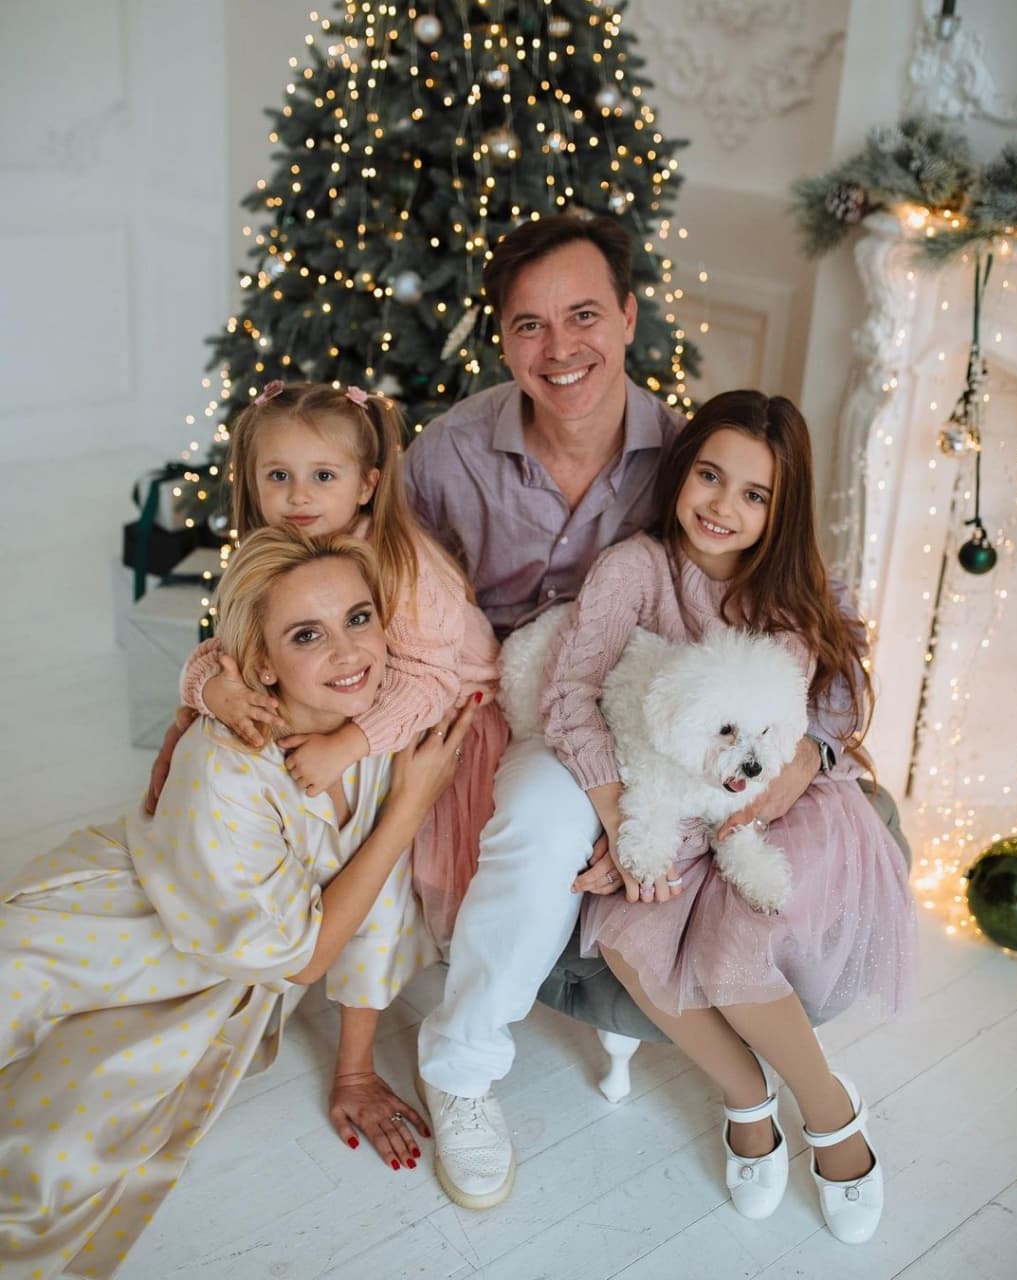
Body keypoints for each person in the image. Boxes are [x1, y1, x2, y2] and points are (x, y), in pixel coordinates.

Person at [404, 214, 856, 1210]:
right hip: (538, 705)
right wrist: (617, 815)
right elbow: (384, 581)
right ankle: (461, 1069)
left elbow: (814, 620)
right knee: (538, 821)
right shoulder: (448, 455)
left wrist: (806, 755)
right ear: (501, 338)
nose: (558, 347)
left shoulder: (693, 458)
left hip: (668, 727)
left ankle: (789, 1094)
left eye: (582, 315)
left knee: (723, 866)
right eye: (528, 324)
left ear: (628, 316)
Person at [0, 529, 476, 1276]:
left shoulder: (381, 725)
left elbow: (374, 903)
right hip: (113, 933)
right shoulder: (226, 766)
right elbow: (306, 958)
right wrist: (410, 810)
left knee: (58, 1150)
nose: (349, 652)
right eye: (307, 635)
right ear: (261, 665)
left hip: (215, 972)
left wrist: (354, 1072)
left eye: (358, 618)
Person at [540, 390, 916, 1243]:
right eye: (710, 476)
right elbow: (569, 694)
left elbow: (843, 692)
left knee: (735, 944)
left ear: (780, 510)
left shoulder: (793, 585)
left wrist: (808, 756)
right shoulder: (635, 571)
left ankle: (831, 1114)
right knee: (629, 937)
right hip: (667, 802)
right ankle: (748, 1099)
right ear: (682, 470)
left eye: (755, 494)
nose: (722, 506)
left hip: (782, 804)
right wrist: (618, 819)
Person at [150, 381, 507, 1159]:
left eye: (322, 476)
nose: (298, 497)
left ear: (368, 484)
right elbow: (223, 644)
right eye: (277, 476)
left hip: (452, 711)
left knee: (409, 877)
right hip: (359, 709)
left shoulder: (401, 561)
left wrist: (350, 744)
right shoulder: (276, 557)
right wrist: (209, 688)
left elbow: (432, 679)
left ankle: (427, 1039)